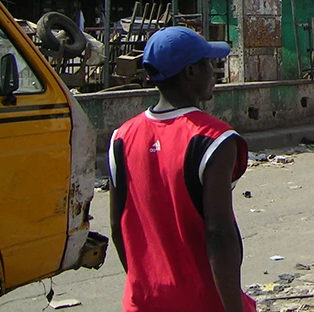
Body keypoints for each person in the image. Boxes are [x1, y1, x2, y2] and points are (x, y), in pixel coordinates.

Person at [109, 27, 256, 312]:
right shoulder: (214, 139)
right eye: (208, 64)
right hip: (203, 302)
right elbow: (219, 234)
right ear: (190, 72)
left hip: (144, 302)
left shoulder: (121, 137)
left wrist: (145, 283)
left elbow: (119, 228)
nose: (214, 72)